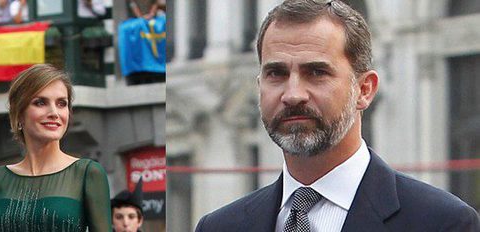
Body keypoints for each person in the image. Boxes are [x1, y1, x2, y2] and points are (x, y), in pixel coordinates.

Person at [195, 0, 480, 231]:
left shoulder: (442, 223)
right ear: (259, 87)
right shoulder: (219, 226)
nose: (293, 94)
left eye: (317, 72)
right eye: (276, 73)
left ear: (364, 90)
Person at [0, 64, 111, 232]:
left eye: (61, 104)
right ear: (19, 113)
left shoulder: (87, 174)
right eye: (40, 102)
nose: (54, 113)